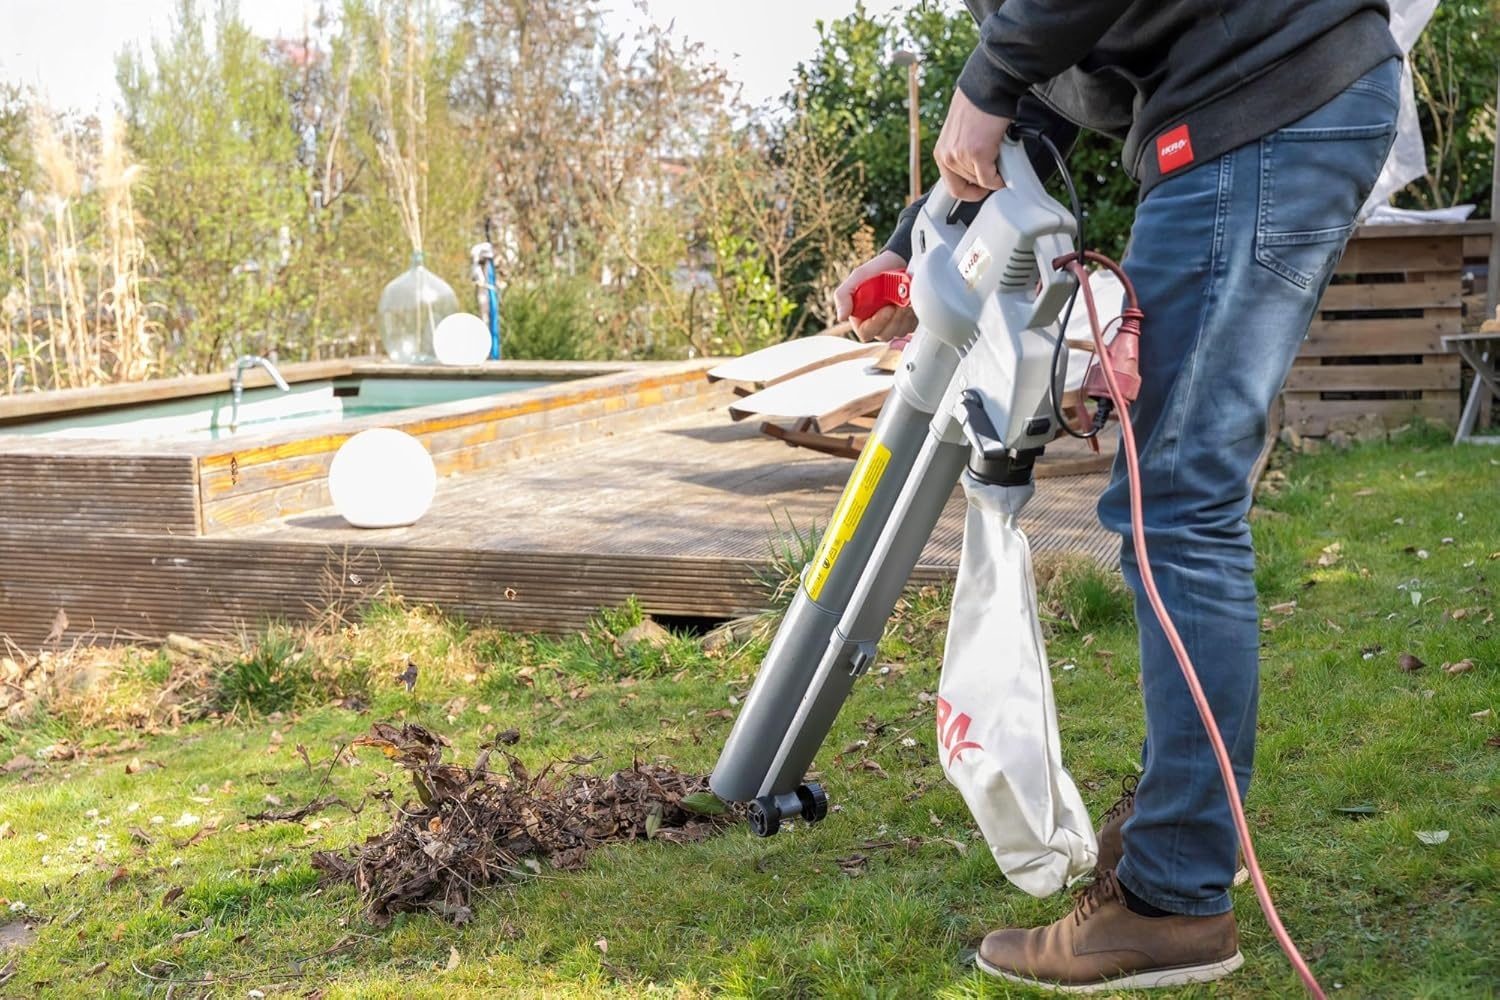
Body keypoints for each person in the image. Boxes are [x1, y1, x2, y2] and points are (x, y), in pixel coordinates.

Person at [835, 0, 1400, 991]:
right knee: (1176, 495)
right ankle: (1181, 829)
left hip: (1256, 106)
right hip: (1267, 101)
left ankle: (1173, 897)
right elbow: (1045, 99)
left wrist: (984, 76)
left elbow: (1019, 67)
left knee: (1177, 502)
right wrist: (915, 237)